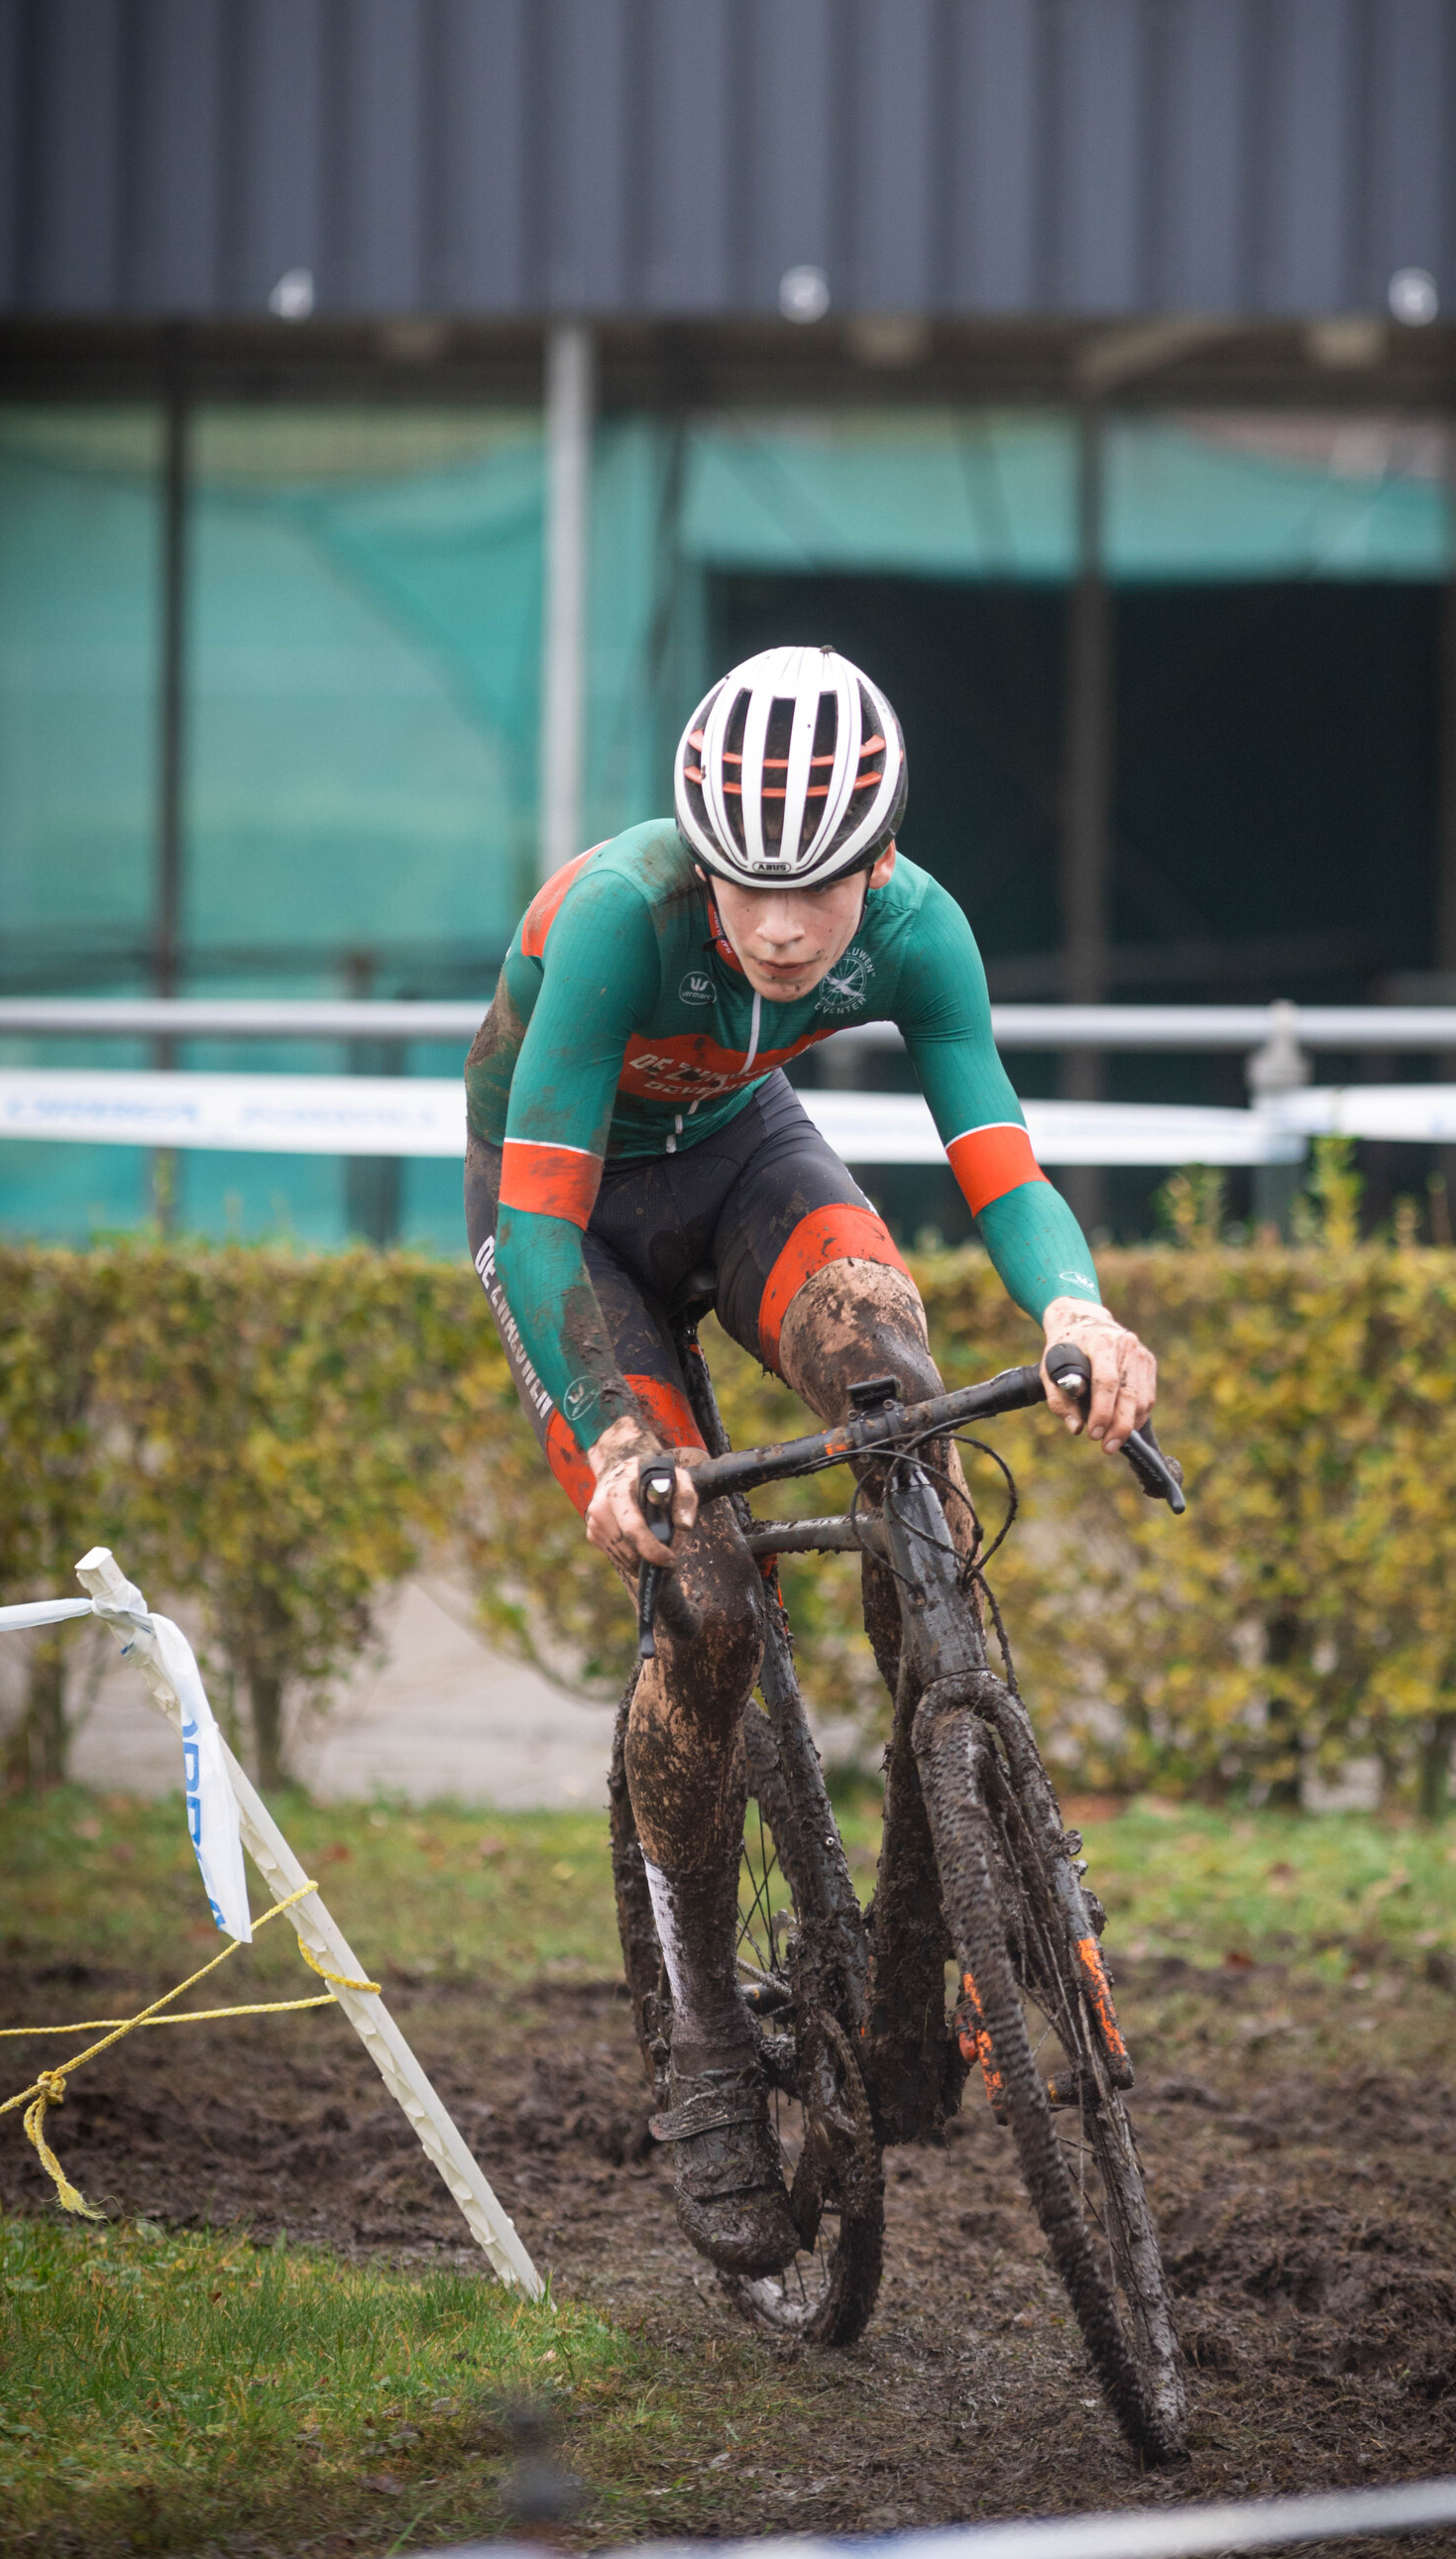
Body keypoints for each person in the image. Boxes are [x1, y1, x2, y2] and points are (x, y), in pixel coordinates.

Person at [466, 644, 1158, 2276]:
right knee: (703, 1599)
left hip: (744, 1162)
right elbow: (542, 1221)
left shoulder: (920, 932)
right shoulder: (620, 917)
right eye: (744, 888)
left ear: (880, 860)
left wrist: (1076, 1306)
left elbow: (997, 1153)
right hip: (568, 1231)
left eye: (817, 892)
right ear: (698, 853)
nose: (777, 927)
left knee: (896, 1396)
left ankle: (933, 1923)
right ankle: (704, 2028)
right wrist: (620, 1439)